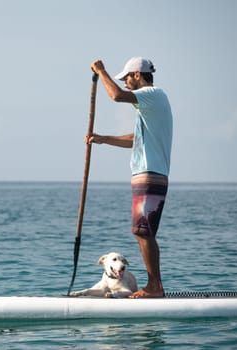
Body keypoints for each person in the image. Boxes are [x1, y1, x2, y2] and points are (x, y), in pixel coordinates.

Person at [87, 57, 173, 298]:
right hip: (145, 172)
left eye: (126, 77)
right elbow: (136, 140)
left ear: (137, 74)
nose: (124, 82)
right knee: (141, 231)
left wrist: (101, 71)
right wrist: (103, 138)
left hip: (150, 172)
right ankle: (154, 285)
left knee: (143, 232)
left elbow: (115, 96)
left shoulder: (153, 94)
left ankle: (155, 286)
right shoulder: (150, 106)